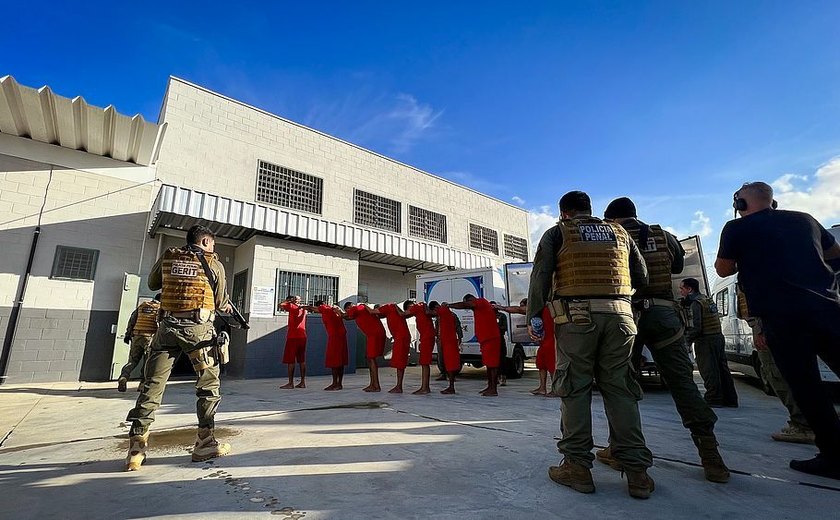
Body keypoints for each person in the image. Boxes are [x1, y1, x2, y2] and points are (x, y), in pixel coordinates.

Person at [527, 190, 654, 499]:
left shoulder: (559, 232)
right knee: (620, 389)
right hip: (621, 316)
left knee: (574, 388)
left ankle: (577, 467)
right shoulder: (619, 231)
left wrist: (534, 316)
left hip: (576, 318)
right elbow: (642, 275)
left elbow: (541, 274)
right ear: (589, 209)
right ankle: (637, 472)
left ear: (564, 213)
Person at [716, 181, 840, 479]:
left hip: (783, 318)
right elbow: (836, 254)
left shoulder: (736, 229)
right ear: (773, 201)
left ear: (740, 204)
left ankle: (835, 457)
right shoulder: (805, 219)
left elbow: (723, 269)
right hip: (828, 310)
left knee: (808, 389)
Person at [602, 196, 730, 484]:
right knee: (683, 384)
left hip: (626, 314)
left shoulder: (612, 235)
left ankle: (622, 451)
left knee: (619, 385)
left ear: (611, 218)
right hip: (664, 313)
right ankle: (712, 458)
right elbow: (676, 267)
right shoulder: (664, 236)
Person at [124, 225, 233, 471]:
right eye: (213, 244)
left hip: (167, 329)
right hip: (198, 331)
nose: (214, 248)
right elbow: (220, 301)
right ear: (205, 241)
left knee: (152, 385)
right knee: (208, 386)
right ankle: (205, 442)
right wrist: (225, 307)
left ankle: (136, 447)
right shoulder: (213, 263)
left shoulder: (169, 256)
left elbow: (153, 284)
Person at [736, 288, 814, 444]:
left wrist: (759, 329)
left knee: (778, 376)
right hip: (792, 324)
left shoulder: (751, 268)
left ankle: (803, 425)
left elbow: (756, 299)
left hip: (770, 327)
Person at [679, 278, 738, 407]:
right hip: (717, 337)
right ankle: (730, 399)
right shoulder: (706, 299)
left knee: (709, 370)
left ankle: (714, 399)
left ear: (689, 289)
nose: (681, 292)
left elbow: (696, 327)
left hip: (706, 341)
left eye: (682, 289)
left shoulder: (696, 303)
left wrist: (687, 342)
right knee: (722, 370)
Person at [495, 298, 557, 396]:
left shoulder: (542, 309)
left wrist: (502, 307)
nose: (522, 308)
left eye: (523, 306)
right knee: (541, 364)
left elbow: (518, 310)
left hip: (550, 342)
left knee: (551, 365)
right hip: (544, 342)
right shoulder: (539, 312)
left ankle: (556, 389)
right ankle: (542, 388)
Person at [447, 294, 502, 397]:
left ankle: (493, 389)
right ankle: (490, 386)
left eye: (468, 303)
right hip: (486, 339)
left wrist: (450, 305)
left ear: (470, 300)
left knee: (492, 364)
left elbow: (465, 305)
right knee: (489, 364)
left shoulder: (480, 301)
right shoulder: (480, 307)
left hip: (491, 338)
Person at [118, 294, 161, 392]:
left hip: (137, 335)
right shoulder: (159, 308)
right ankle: (142, 384)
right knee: (147, 362)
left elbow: (132, 320)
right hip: (149, 337)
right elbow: (160, 323)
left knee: (132, 360)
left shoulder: (142, 306)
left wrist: (127, 334)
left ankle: (124, 377)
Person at [341, 302, 386, 392]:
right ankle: (373, 383)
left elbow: (345, 316)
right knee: (369, 358)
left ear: (349, 307)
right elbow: (348, 318)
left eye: (347, 310)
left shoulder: (357, 308)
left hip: (374, 335)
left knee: (371, 358)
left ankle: (376, 385)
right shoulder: (360, 311)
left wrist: (337, 311)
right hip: (373, 335)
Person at [306, 301, 348, 391]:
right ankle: (339, 383)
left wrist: (304, 307)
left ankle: (335, 384)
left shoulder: (324, 308)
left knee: (334, 361)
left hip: (335, 337)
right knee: (340, 361)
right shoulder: (333, 310)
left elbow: (313, 309)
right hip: (341, 336)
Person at [376, 302, 412, 394]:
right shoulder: (391, 311)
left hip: (401, 337)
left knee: (400, 362)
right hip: (401, 337)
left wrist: (365, 307)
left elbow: (373, 312)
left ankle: (399, 386)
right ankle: (398, 386)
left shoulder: (388, 307)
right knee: (399, 361)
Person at [430, 301, 462, 394]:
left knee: (450, 360)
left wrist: (460, 337)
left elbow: (457, 326)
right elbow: (437, 328)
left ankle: (451, 382)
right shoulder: (438, 317)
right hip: (441, 340)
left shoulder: (451, 315)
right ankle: (443, 373)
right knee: (441, 358)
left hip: (448, 341)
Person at [407, 300, 436, 394]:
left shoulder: (417, 308)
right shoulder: (421, 308)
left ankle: (425, 388)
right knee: (424, 362)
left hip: (427, 337)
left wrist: (394, 307)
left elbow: (403, 314)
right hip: (426, 337)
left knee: (424, 362)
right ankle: (424, 387)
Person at [279, 295, 307, 389]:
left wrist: (287, 300)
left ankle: (290, 383)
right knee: (302, 360)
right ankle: (302, 382)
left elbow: (280, 305)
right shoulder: (303, 309)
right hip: (302, 336)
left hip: (293, 337)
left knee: (291, 360)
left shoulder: (292, 306)